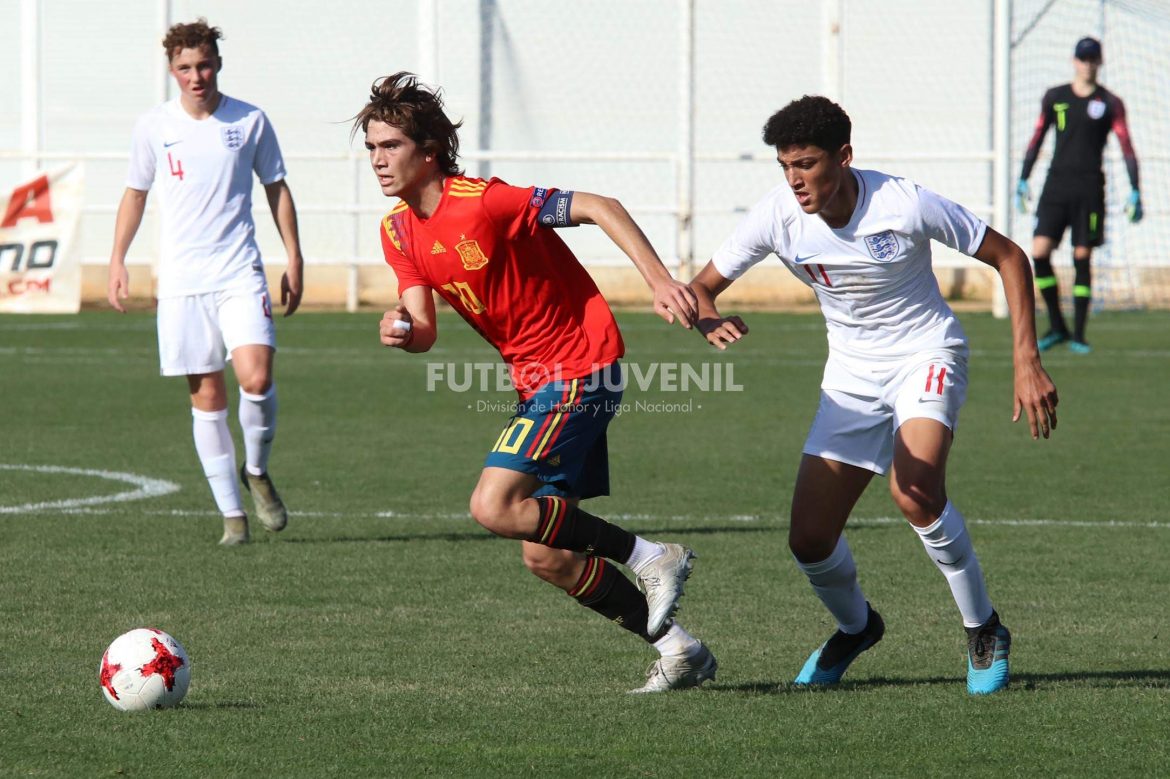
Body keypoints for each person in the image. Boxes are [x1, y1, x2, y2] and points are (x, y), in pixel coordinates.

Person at [358, 72, 715, 693]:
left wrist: (661, 281)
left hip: (580, 366)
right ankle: (681, 651)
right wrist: (401, 330)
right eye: (371, 148)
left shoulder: (487, 201)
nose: (378, 160)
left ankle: (651, 556)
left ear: (429, 149)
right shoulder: (398, 231)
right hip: (537, 384)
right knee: (545, 552)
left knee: (492, 505)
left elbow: (602, 207)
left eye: (390, 146)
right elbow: (423, 329)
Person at [689, 96, 1059, 695]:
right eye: (785, 166)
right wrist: (704, 316)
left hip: (926, 356)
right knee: (808, 539)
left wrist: (1026, 359)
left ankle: (983, 627)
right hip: (851, 378)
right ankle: (856, 628)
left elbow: (1008, 256)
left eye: (806, 164)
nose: (795, 180)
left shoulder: (903, 202)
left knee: (914, 491)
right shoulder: (777, 215)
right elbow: (703, 286)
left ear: (844, 156)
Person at [107, 19, 304, 545]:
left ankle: (257, 470)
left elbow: (276, 188)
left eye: (205, 64)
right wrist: (117, 259)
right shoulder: (154, 125)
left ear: (218, 62)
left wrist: (294, 255)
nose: (197, 76)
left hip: (239, 270)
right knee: (208, 395)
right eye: (185, 67)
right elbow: (135, 192)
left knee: (256, 377)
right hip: (181, 280)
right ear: (172, 71)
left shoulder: (250, 120)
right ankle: (231, 516)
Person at [1016, 36, 1142, 354]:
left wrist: (1135, 189)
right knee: (1039, 252)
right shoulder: (1055, 97)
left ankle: (1079, 334)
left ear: (1100, 62)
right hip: (1056, 186)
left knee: (1082, 256)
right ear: (1074, 61)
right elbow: (1037, 138)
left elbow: (1127, 147)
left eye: (1093, 58)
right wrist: (1023, 178)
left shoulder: (1110, 103)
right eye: (1083, 58)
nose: (1087, 64)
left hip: (1089, 189)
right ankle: (1057, 325)